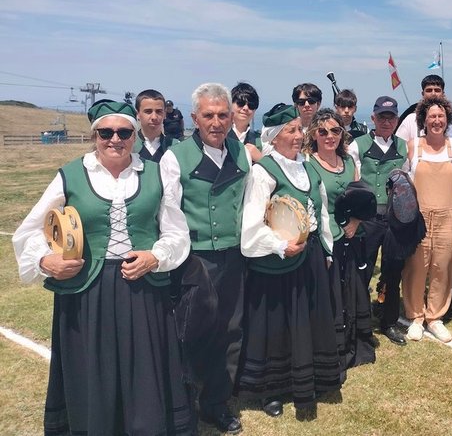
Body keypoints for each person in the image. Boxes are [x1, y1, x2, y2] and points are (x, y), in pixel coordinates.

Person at [13, 99, 192, 435]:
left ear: (135, 135)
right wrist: (44, 260)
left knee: (143, 370)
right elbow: (30, 230)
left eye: (124, 131)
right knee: (92, 370)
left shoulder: (155, 174)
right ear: (94, 135)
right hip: (86, 292)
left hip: (141, 289)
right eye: (106, 132)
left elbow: (176, 232)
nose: (115, 139)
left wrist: (155, 256)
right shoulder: (69, 174)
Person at [239, 103, 341, 420]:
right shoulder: (263, 172)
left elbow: (320, 212)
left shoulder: (308, 167)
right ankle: (272, 389)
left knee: (307, 320)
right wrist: (280, 245)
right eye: (291, 131)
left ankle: (308, 381)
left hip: (307, 256)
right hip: (276, 260)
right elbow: (251, 226)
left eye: (299, 129)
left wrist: (325, 249)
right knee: (278, 326)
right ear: (274, 136)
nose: (298, 136)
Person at [160, 83, 249, 434]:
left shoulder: (240, 152)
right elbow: (168, 212)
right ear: (195, 118)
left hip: (234, 256)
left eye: (222, 115)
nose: (216, 122)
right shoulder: (175, 157)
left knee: (231, 330)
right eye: (208, 115)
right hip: (194, 259)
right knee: (192, 332)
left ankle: (216, 403)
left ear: (231, 117)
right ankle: (182, 405)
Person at [305, 108, 376, 368]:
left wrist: (356, 222)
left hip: (351, 237)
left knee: (352, 292)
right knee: (329, 294)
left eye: (335, 130)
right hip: (324, 239)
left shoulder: (349, 163)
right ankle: (329, 349)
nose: (329, 136)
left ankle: (352, 343)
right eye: (322, 131)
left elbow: (362, 197)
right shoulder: (306, 163)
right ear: (314, 134)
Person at [402, 96, 452, 343]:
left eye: (441, 116)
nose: (436, 121)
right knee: (417, 266)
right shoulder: (413, 146)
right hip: (419, 214)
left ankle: (435, 316)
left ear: (447, 119)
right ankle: (416, 316)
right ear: (423, 121)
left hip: (448, 213)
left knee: (442, 266)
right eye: (432, 117)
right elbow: (405, 182)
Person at [348, 96, 410, 345]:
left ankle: (389, 320)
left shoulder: (404, 146)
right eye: (382, 117)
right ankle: (359, 322)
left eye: (391, 117)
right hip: (369, 218)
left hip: (394, 217)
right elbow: (352, 180)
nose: (387, 122)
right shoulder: (358, 145)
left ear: (397, 120)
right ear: (373, 118)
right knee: (362, 269)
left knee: (393, 271)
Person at [395, 74, 445, 142]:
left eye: (437, 90)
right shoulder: (411, 119)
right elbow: (399, 146)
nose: (433, 94)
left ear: (443, 93)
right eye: (429, 90)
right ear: (423, 94)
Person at [134, 89, 179, 162]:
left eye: (159, 111)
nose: (154, 117)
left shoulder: (176, 147)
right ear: (138, 114)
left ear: (164, 114)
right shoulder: (129, 146)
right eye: (148, 111)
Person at [228, 81, 263, 162]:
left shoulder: (261, 141)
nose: (245, 108)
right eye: (240, 103)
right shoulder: (219, 136)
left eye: (251, 105)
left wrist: (260, 159)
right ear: (230, 104)